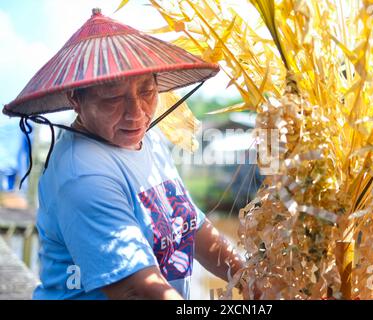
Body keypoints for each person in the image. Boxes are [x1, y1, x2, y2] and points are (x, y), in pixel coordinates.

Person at [3, 8, 245, 300]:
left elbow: (192, 226)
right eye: (113, 97)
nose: (136, 113)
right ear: (75, 98)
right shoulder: (83, 174)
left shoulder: (149, 140)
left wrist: (251, 278)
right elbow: (137, 289)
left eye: (147, 91)